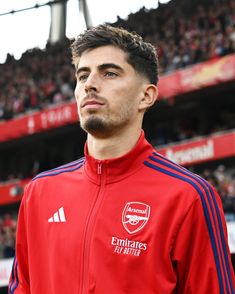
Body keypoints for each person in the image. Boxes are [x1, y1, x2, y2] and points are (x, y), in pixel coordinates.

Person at [9, 25, 235, 294]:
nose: (90, 84)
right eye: (83, 76)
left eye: (110, 73)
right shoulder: (39, 193)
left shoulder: (189, 197)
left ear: (146, 96)